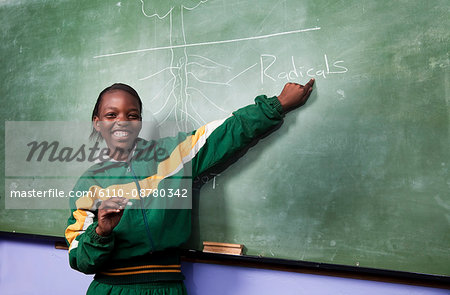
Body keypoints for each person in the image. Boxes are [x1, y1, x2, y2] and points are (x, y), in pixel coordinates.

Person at [65, 78, 315, 294]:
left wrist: (277, 105)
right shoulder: (89, 184)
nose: (123, 122)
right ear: (97, 123)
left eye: (132, 115)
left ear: (140, 121)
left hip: (167, 286)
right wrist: (102, 232)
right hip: (112, 289)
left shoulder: (173, 155)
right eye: (111, 115)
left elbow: (226, 132)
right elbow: (80, 259)